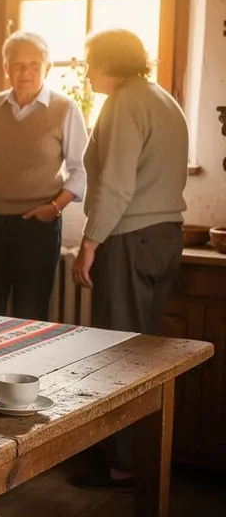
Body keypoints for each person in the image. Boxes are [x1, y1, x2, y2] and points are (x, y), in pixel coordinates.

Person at [71, 28, 188, 489]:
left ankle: (122, 464)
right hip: (164, 238)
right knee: (143, 353)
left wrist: (89, 243)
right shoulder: (161, 98)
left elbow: (116, 183)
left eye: (89, 61)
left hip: (130, 238)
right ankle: (140, 457)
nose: (85, 69)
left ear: (106, 62)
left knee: (119, 354)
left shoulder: (124, 102)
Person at [0, 31, 87, 321]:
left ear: (47, 67)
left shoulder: (65, 109)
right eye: (18, 64)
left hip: (37, 227)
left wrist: (55, 207)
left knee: (30, 313)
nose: (26, 71)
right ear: (6, 68)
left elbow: (81, 168)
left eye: (34, 64)